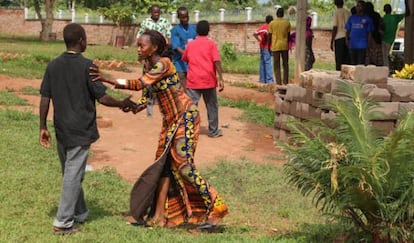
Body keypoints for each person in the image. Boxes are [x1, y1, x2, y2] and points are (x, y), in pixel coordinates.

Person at [90, 30, 228, 228]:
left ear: (154, 48)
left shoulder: (164, 63)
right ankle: (159, 216)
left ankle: (217, 206)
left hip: (185, 117)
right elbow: (148, 92)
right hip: (170, 122)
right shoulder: (148, 64)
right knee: (163, 167)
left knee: (183, 165)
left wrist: (108, 79)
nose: (138, 49)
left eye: (141, 46)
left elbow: (140, 84)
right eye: (137, 45)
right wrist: (136, 106)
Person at [39, 23, 137, 235]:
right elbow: (102, 97)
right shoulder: (88, 66)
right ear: (82, 40)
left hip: (61, 128)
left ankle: (80, 211)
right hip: (80, 129)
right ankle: (63, 222)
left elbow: (45, 97)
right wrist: (122, 103)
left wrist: (42, 127)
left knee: (70, 172)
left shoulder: (53, 65)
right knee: (73, 175)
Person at [182, 20, 225, 138]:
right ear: (208, 31)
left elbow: (185, 58)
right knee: (212, 106)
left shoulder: (190, 44)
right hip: (208, 80)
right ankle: (213, 131)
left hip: (193, 80)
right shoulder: (211, 44)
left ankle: (188, 131)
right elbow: (216, 61)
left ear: (196, 31)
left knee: (191, 106)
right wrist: (221, 78)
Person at [137, 4, 172, 117]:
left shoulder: (165, 22)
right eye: (154, 12)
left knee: (162, 77)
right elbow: (140, 36)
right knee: (147, 76)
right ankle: (147, 101)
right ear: (151, 12)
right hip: (149, 53)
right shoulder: (145, 22)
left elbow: (169, 37)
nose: (156, 14)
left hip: (161, 53)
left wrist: (166, 50)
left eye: (158, 12)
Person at [171, 6, 197, 92]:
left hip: (193, 64)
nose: (185, 19)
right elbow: (176, 47)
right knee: (184, 89)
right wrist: (188, 56)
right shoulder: (175, 30)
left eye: (187, 17)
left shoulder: (194, 28)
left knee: (194, 89)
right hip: (180, 64)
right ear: (178, 17)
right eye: (183, 17)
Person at [345, 0, 374, 65]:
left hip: (362, 45)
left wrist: (369, 44)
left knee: (360, 64)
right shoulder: (351, 18)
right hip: (352, 44)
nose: (358, 7)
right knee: (352, 63)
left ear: (363, 7)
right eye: (357, 6)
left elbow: (369, 33)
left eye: (359, 6)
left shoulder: (367, 19)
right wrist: (347, 40)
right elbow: (348, 30)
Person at [268, 7, 291, 85]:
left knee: (276, 65)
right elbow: (288, 36)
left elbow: (269, 36)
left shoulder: (272, 23)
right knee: (285, 64)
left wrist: (269, 47)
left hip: (275, 46)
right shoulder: (287, 23)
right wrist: (289, 45)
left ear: (276, 14)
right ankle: (285, 82)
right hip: (284, 46)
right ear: (283, 14)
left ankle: (278, 83)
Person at [253, 15, 274, 84]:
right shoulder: (270, 28)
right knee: (268, 62)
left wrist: (259, 40)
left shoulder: (263, 27)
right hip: (267, 47)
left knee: (262, 62)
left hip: (262, 46)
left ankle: (262, 79)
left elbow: (254, 33)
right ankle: (269, 80)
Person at [330, 0, 351, 71]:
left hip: (339, 37)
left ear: (335, 3)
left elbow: (335, 27)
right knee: (346, 59)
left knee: (339, 59)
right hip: (348, 37)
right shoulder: (348, 12)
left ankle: (338, 75)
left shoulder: (336, 12)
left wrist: (332, 40)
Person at [364, 1, 384, 66]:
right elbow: (382, 24)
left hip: (367, 36)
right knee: (377, 54)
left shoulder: (365, 16)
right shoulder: (377, 15)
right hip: (376, 36)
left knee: (368, 53)